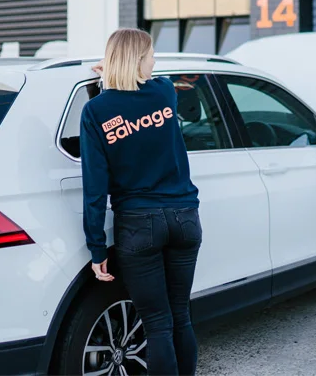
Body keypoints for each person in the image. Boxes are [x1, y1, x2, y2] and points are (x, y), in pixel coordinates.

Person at [81, 28, 202, 375]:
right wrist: (115, 69)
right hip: (184, 217)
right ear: (138, 60)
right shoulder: (164, 94)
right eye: (150, 55)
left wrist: (97, 248)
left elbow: (95, 187)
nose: (154, 62)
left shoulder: (96, 112)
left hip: (138, 225)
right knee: (181, 315)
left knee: (158, 324)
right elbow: (153, 81)